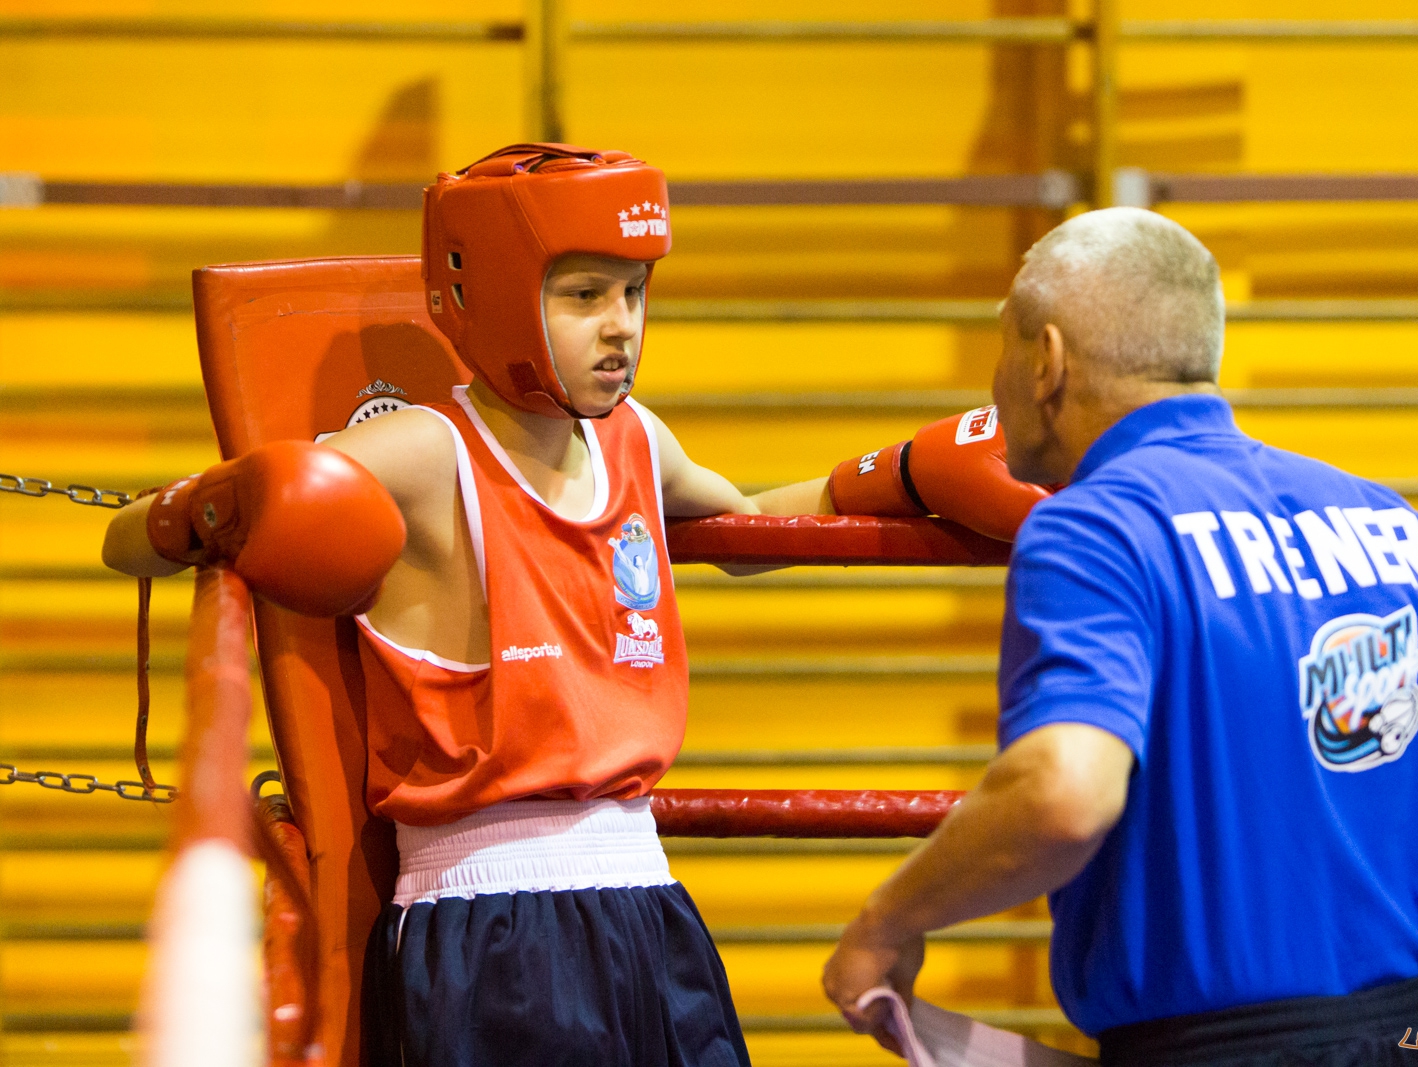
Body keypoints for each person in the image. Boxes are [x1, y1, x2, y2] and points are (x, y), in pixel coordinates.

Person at [100, 143, 1048, 1067]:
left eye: (634, 292)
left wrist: (897, 474)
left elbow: (751, 528)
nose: (621, 325)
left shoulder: (635, 438)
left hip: (647, 902)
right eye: (584, 295)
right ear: (496, 295)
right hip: (488, 920)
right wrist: (205, 510)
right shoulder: (430, 455)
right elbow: (130, 535)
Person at [821, 207, 1418, 1067]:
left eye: (1002, 349)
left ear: (1046, 362)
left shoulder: (1095, 529)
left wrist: (886, 918)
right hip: (1399, 1038)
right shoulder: (1390, 522)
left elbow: (1063, 795)